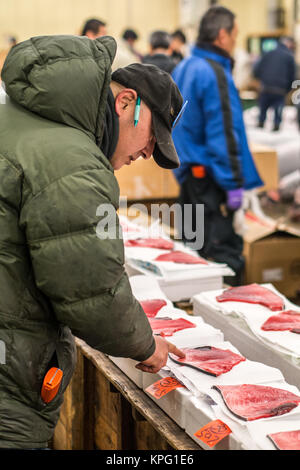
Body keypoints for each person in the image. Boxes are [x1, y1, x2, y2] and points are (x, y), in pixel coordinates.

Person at [0, 35, 185, 449]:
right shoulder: (73, 159)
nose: (146, 153)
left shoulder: (21, 118)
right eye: (151, 136)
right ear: (125, 104)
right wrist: (145, 343)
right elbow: (90, 289)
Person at [172, 6, 263, 284]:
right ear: (222, 35)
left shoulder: (185, 65)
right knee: (225, 256)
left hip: (190, 176)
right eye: (235, 36)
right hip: (212, 181)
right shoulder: (213, 72)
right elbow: (224, 132)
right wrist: (234, 183)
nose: (235, 43)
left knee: (190, 250)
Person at [253, 36, 296, 131]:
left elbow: (256, 69)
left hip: (265, 87)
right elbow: (292, 75)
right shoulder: (289, 57)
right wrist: (288, 89)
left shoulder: (267, 53)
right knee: (277, 115)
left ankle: (261, 123)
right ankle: (276, 125)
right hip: (280, 89)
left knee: (262, 111)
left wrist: (261, 80)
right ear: (288, 44)